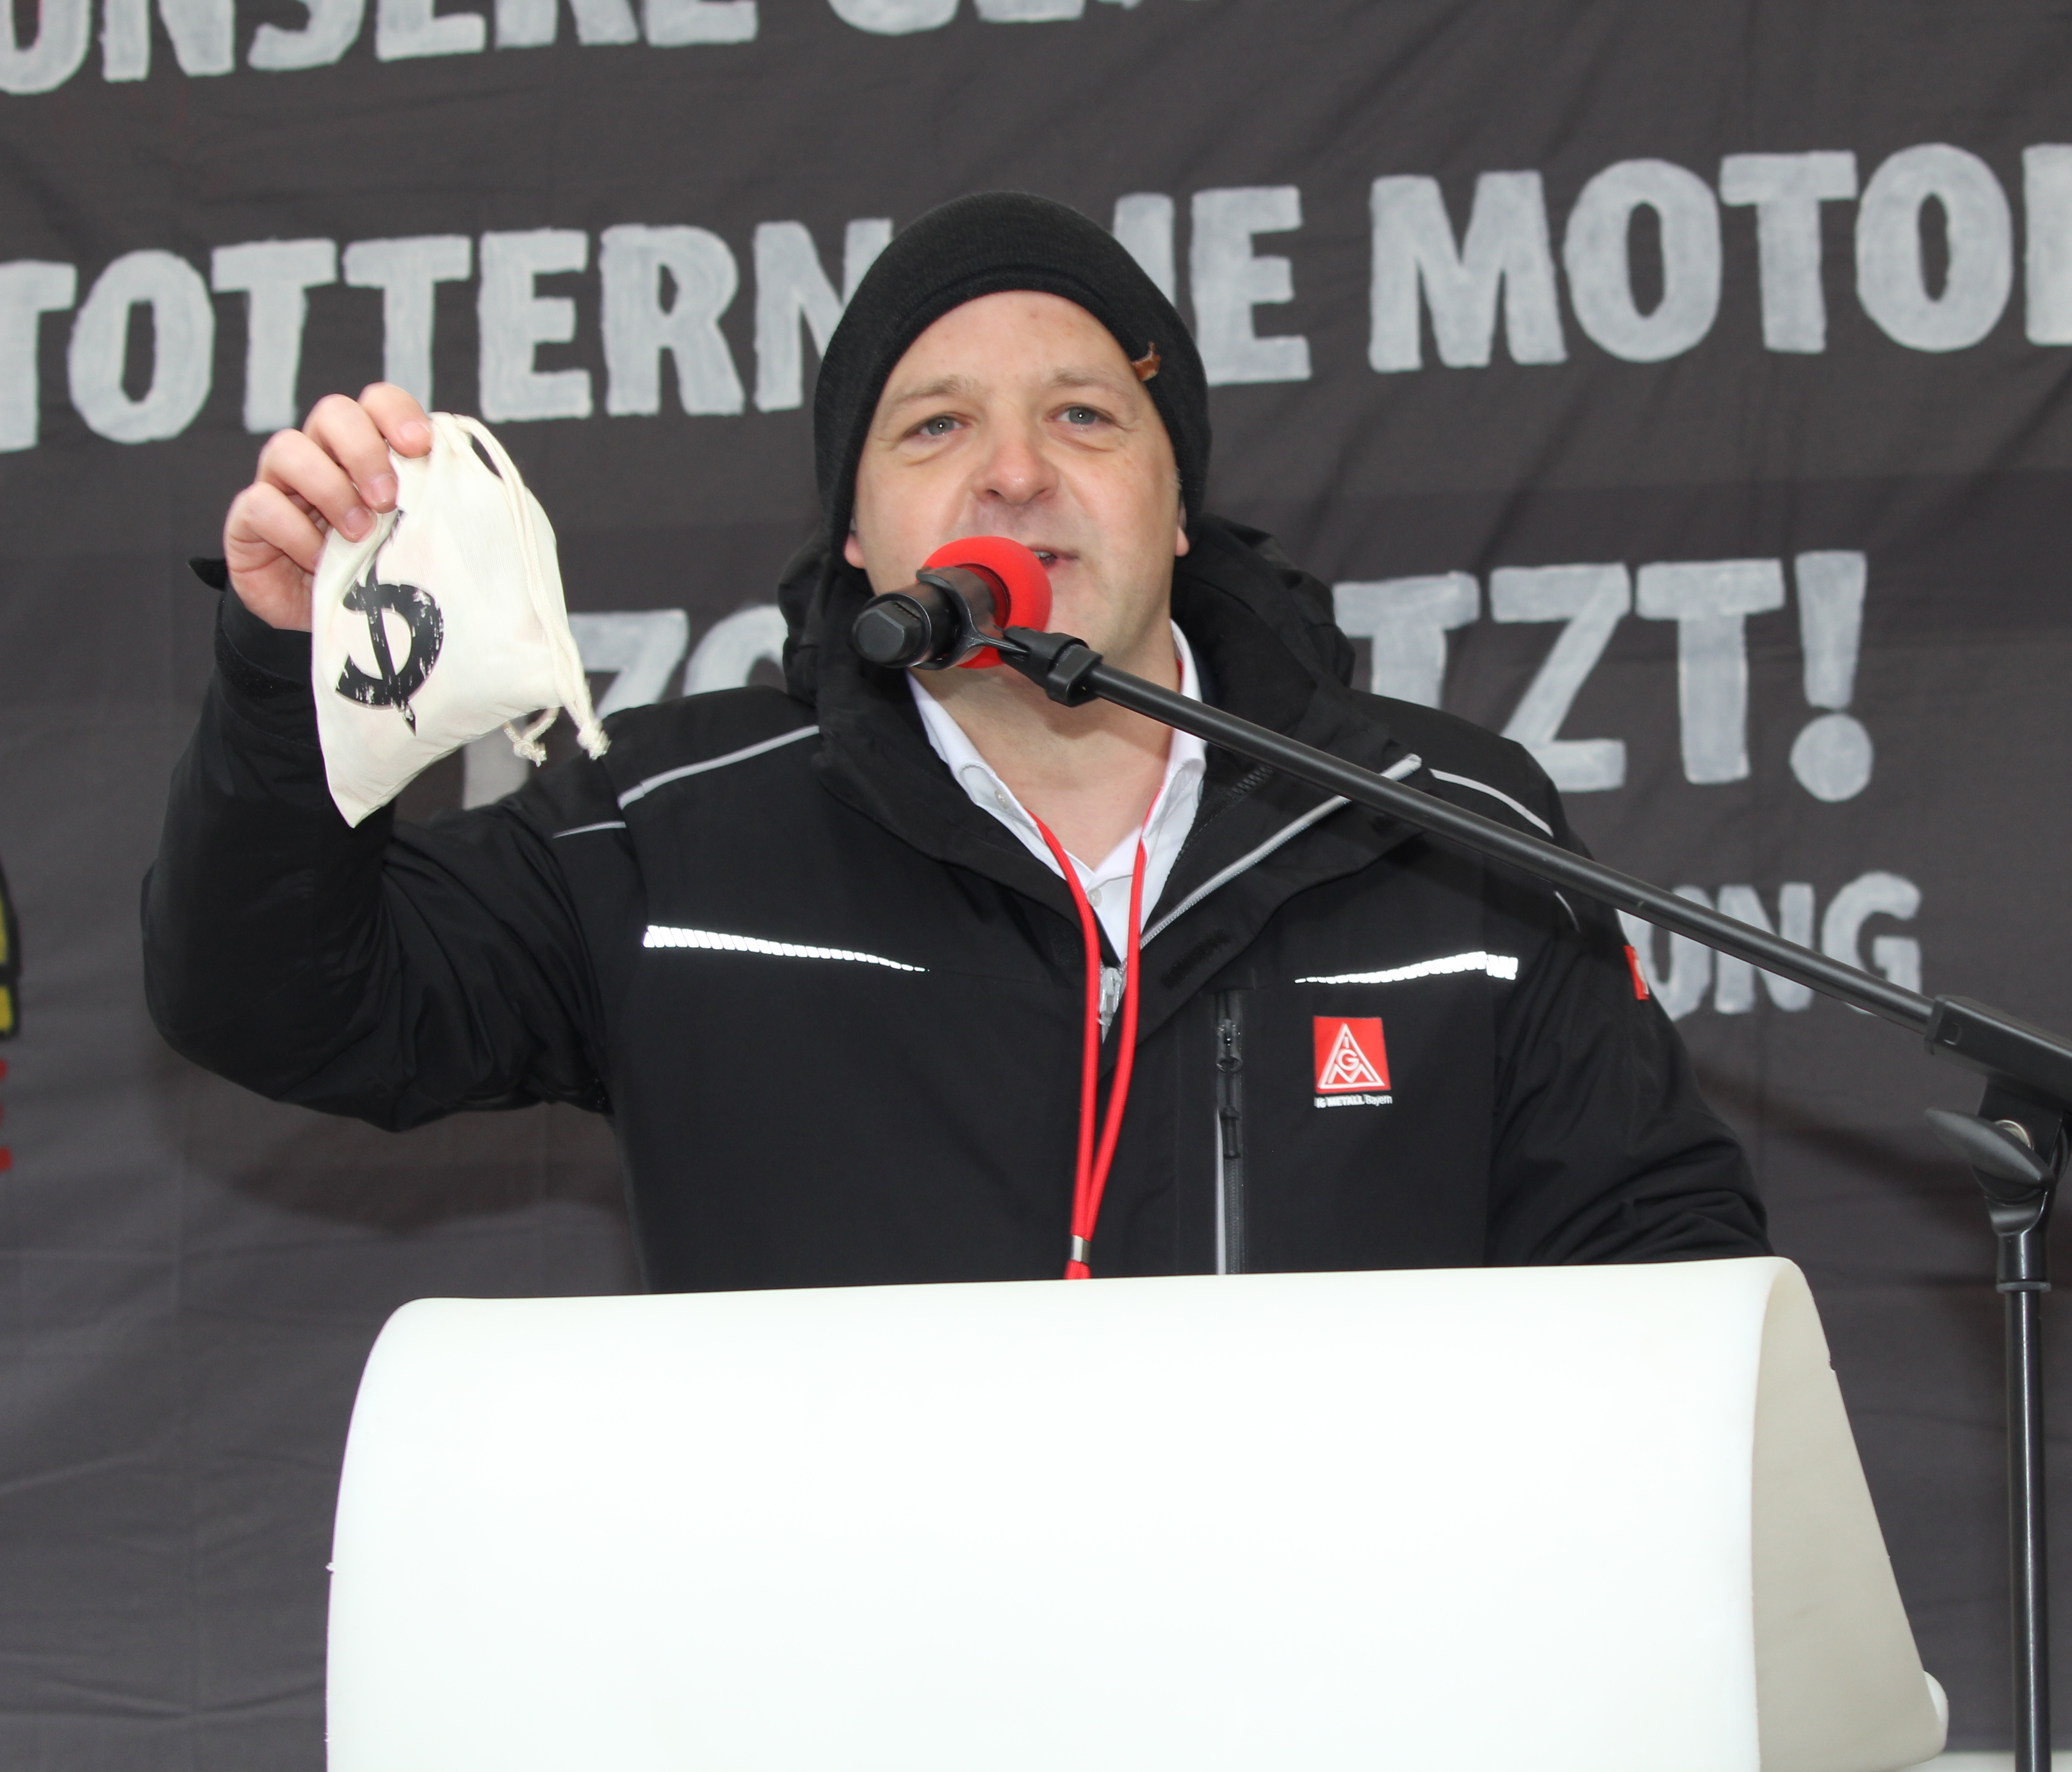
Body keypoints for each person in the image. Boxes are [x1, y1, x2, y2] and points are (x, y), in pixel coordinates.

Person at [143, 191, 1765, 1289]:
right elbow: (284, 998)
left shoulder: (1440, 825)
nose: (1014, 473)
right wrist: (289, 665)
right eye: (936, 426)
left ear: (1176, 505)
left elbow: (1661, 1264)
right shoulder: (668, 834)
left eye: (1083, 415)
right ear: (858, 539)